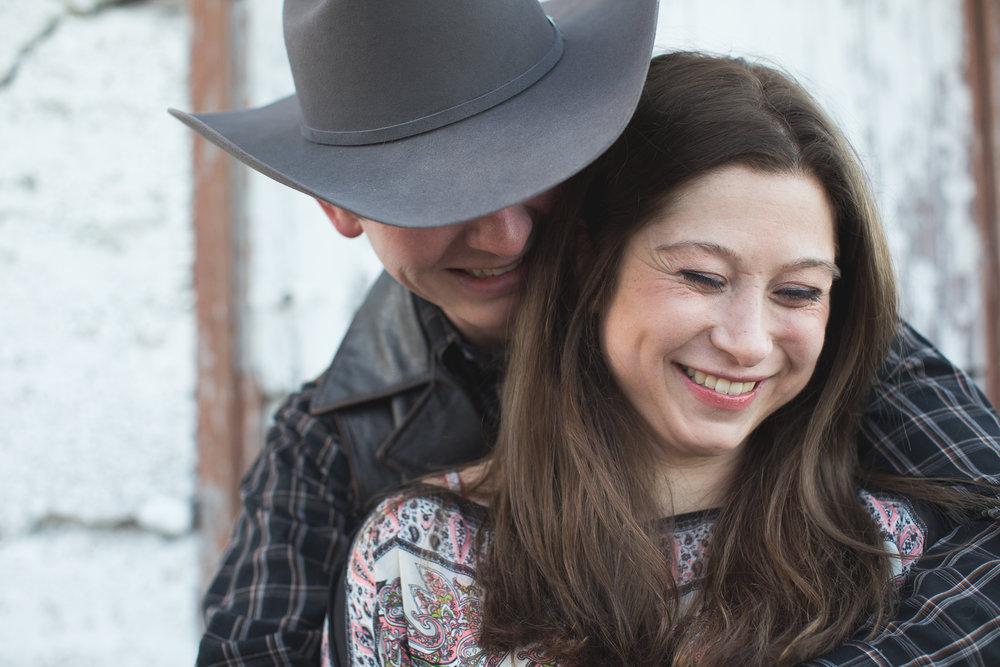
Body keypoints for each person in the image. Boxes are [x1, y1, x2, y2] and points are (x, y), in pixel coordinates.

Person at [167, 1, 1000, 665]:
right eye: (440, 191)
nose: (508, 235)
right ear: (341, 204)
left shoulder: (793, 337)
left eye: (531, 164)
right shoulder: (336, 451)